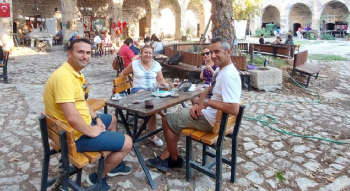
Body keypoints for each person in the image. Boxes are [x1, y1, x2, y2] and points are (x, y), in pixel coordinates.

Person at [43, 38, 133, 191]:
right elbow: (72, 117)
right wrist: (92, 131)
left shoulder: (74, 73)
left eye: (88, 53)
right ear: (69, 54)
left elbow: (82, 102)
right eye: (80, 52)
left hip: (74, 128)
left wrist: (96, 118)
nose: (85, 56)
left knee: (111, 119)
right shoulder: (64, 78)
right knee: (128, 142)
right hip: (73, 137)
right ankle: (98, 177)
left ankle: (112, 161)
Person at [146, 37, 242, 172]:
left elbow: (234, 108)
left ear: (228, 52)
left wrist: (208, 103)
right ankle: (166, 156)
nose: (213, 56)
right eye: (211, 52)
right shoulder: (222, 70)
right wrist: (198, 103)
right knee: (177, 118)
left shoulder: (227, 75)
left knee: (167, 119)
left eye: (217, 52)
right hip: (212, 116)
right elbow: (209, 89)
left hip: (212, 122)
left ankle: (174, 159)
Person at [119, 44, 165, 146]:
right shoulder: (135, 63)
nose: (147, 55)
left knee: (158, 100)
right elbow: (122, 73)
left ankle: (159, 120)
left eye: (150, 53)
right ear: (141, 53)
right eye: (145, 52)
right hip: (138, 91)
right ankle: (154, 131)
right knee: (150, 103)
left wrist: (163, 83)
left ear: (152, 54)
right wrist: (121, 85)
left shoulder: (156, 65)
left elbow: (160, 79)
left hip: (152, 91)